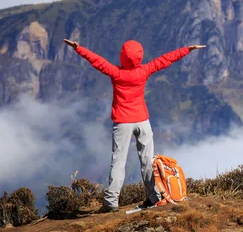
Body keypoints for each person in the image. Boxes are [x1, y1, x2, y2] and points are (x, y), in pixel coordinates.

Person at [63, 38, 206, 212]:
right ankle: (154, 197)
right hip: (142, 121)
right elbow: (165, 60)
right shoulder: (144, 71)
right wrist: (187, 49)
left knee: (118, 162)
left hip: (123, 122)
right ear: (140, 57)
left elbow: (97, 61)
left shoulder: (116, 73)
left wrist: (78, 48)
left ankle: (111, 202)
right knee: (147, 161)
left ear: (123, 56)